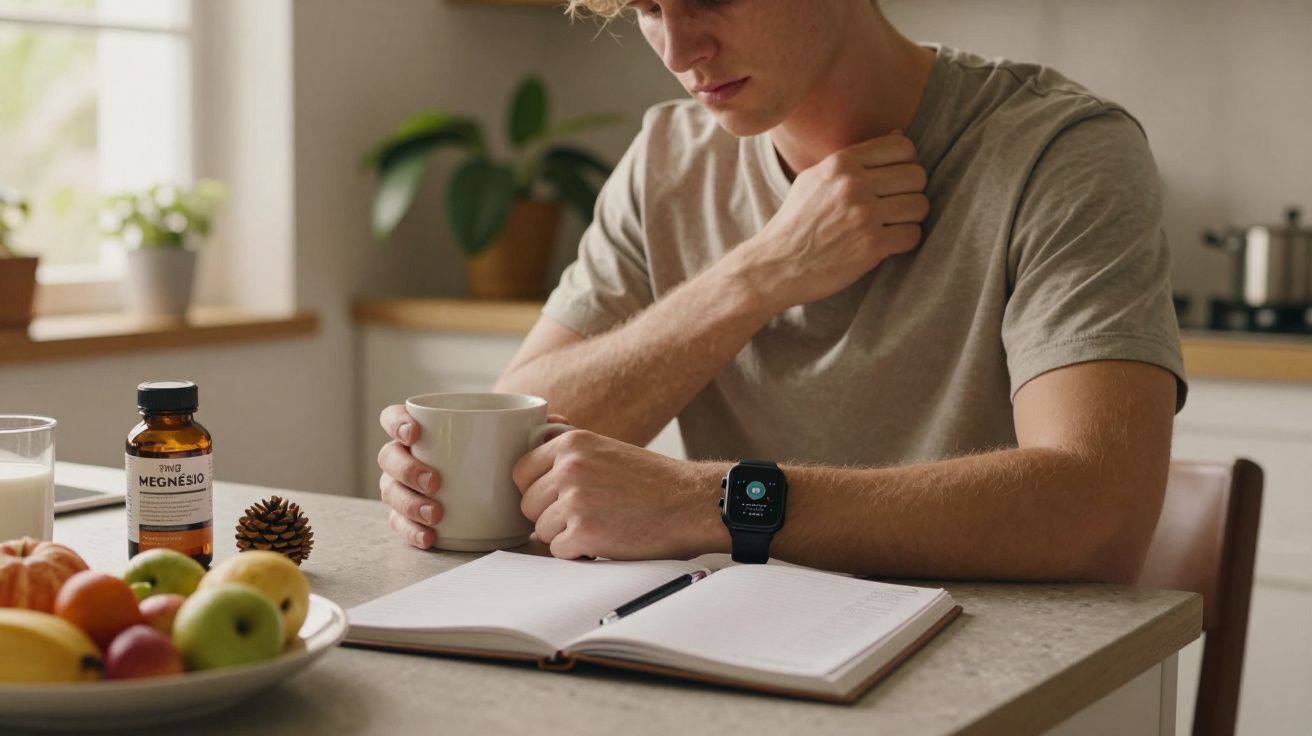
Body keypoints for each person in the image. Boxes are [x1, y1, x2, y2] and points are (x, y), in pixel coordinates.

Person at [376, 0, 1186, 582]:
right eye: (649, 7)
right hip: (741, 655)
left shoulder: (1061, 151)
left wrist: (718, 503)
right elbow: (518, 430)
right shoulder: (666, 158)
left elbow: (1098, 512)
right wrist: (760, 274)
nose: (679, 48)